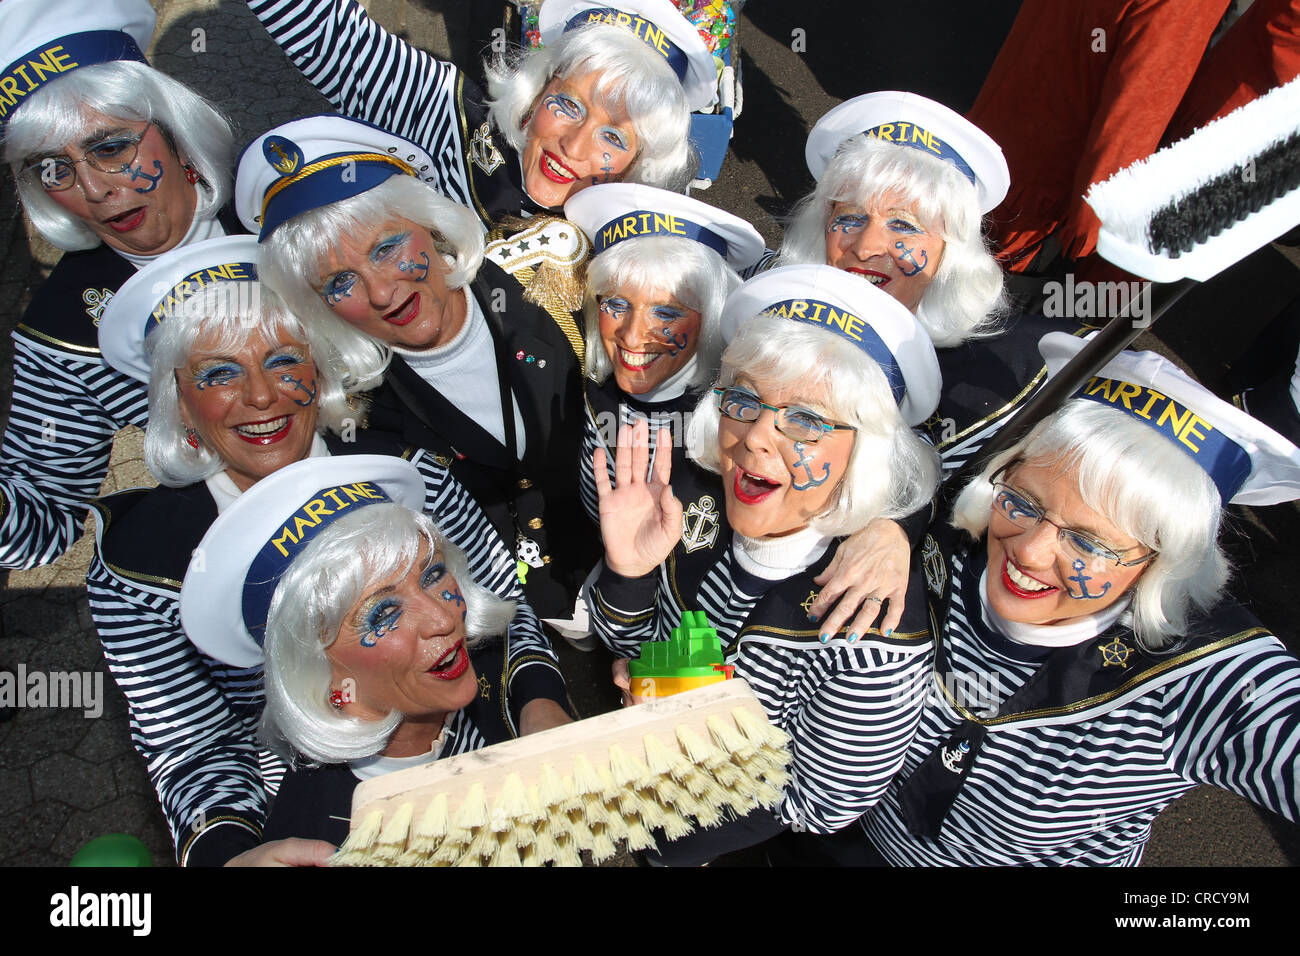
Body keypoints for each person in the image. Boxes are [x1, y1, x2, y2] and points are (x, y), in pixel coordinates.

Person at [86, 235, 567, 865]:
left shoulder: (402, 462)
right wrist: (229, 853)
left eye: (285, 359)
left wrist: (539, 704)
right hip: (305, 821)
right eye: (220, 373)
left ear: (319, 364)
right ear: (179, 400)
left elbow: (500, 602)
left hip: (472, 758)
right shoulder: (140, 564)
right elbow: (191, 747)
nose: (262, 396)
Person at [850, 332, 1300, 865]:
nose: (1032, 554)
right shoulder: (955, 541)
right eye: (1024, 502)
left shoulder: (1201, 676)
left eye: (1089, 542)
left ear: (1164, 563)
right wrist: (894, 523)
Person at [588, 265, 942, 863]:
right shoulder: (691, 507)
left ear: (866, 450)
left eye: (805, 419)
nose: (755, 437)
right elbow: (626, 642)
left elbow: (818, 803)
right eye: (744, 400)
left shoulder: (870, 625)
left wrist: (662, 809)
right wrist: (628, 573)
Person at [245, 116, 595, 620]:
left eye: (387, 249)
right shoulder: (351, 416)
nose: (382, 293)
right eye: (341, 282)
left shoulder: (554, 273)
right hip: (511, 618)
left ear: (431, 225)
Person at [567, 184, 935, 639]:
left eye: (804, 420)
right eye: (616, 304)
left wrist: (892, 528)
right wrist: (627, 583)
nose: (634, 334)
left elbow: (917, 461)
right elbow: (642, 630)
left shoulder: (861, 631)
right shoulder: (696, 462)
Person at [179, 456, 570, 856]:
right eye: (383, 613)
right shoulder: (326, 837)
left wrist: (540, 701)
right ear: (318, 666)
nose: (442, 617)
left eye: (432, 575)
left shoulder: (487, 682)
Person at [0, 0, 236, 568]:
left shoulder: (285, 202)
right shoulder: (63, 330)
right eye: (53, 168)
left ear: (175, 131)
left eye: (110, 147)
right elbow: (42, 522)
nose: (95, 189)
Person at [777, 91, 1087, 476]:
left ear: (950, 252)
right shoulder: (767, 315)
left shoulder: (985, 381)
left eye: (903, 225)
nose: (866, 247)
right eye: (851, 217)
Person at [242, 0, 715, 228]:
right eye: (568, 105)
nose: (573, 146)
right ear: (534, 96)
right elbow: (330, 33)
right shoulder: (445, 115)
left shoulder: (635, 235)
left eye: (613, 137)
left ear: (641, 162)